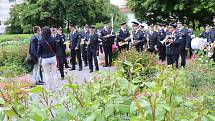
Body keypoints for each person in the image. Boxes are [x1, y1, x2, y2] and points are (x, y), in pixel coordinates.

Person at [38, 26, 58, 91]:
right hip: (52, 57)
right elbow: (56, 49)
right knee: (54, 73)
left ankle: (49, 88)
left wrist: (41, 55)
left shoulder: (41, 40)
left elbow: (39, 51)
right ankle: (55, 88)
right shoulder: (53, 39)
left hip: (45, 58)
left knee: (47, 74)